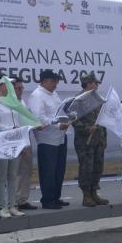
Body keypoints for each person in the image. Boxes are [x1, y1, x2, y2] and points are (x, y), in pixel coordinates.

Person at [27, 69, 70, 210]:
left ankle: (56, 197)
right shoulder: (37, 96)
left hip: (60, 137)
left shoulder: (54, 94)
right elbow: (39, 118)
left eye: (56, 81)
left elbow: (59, 112)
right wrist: (58, 125)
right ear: (44, 81)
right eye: (53, 81)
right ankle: (47, 199)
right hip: (47, 139)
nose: (56, 84)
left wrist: (66, 120)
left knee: (59, 169)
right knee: (48, 170)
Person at [0, 75, 26, 218]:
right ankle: (3, 207)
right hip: (1, 142)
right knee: (2, 176)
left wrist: (20, 137)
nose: (10, 86)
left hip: (15, 142)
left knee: (13, 175)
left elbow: (20, 120)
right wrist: (12, 129)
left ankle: (12, 205)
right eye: (6, 84)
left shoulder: (14, 101)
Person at [71, 73, 109, 208]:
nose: (97, 85)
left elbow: (103, 118)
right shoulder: (78, 100)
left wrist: (103, 137)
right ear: (88, 83)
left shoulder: (98, 99)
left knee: (97, 167)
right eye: (95, 83)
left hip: (98, 139)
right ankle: (86, 195)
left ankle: (94, 192)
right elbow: (73, 119)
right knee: (86, 168)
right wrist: (87, 129)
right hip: (85, 141)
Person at [13, 78, 39, 211]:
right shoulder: (8, 103)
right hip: (15, 142)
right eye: (19, 88)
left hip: (26, 140)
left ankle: (23, 199)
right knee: (15, 173)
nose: (21, 90)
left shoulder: (22, 102)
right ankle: (14, 201)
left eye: (22, 88)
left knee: (26, 171)